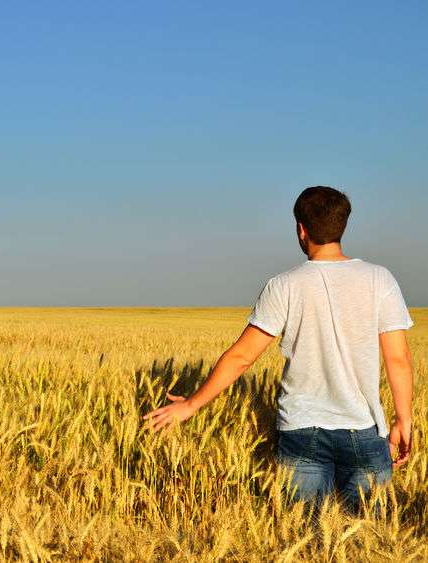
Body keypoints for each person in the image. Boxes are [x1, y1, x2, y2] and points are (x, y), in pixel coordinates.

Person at [142, 186, 414, 520]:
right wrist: (404, 419)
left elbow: (242, 357)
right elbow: (398, 359)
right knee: (370, 537)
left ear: (301, 229)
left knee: (302, 536)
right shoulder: (379, 279)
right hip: (365, 429)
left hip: (301, 430)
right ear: (343, 225)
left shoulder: (284, 285)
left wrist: (191, 405)